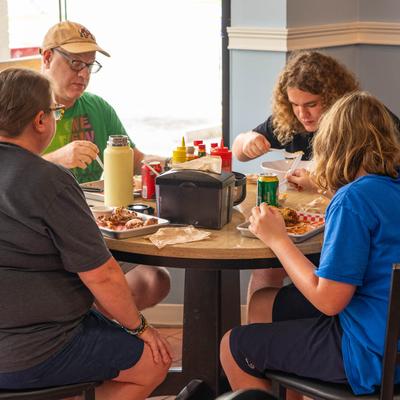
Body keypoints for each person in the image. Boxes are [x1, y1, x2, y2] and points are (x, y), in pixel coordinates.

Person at [0, 68, 171, 399]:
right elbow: (102, 275)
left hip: (21, 339)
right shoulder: (49, 180)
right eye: (54, 111)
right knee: (153, 361)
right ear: (40, 121)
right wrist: (141, 329)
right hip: (35, 348)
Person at [220, 91, 400, 397]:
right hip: (387, 331)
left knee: (233, 346)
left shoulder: (352, 202)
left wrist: (277, 239)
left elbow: (329, 300)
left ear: (333, 146)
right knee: (265, 301)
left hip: (369, 356)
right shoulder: (385, 189)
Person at [40, 20, 170, 311]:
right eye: (75, 63)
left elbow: (136, 161)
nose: (83, 74)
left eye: (90, 65)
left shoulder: (97, 107)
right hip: (47, 243)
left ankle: (93, 328)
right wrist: (56, 160)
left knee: (155, 279)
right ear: (47, 57)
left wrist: (176, 165)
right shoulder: (20, 107)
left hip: (98, 233)